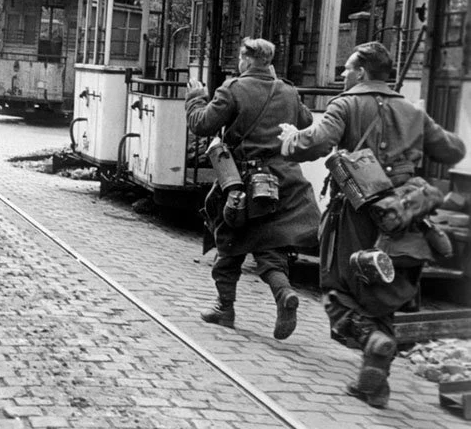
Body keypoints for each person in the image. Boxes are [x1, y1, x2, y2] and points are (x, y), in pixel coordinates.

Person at [279, 41, 465, 408]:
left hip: (355, 214)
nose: (343, 75)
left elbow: (317, 143)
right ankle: (375, 380)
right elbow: (453, 151)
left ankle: (370, 341)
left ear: (362, 72)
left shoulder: (345, 103)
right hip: (404, 214)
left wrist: (290, 139)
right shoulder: (411, 111)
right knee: (387, 289)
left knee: (338, 286)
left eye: (347, 68)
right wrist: (419, 127)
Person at [186, 37, 320, 340]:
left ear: (247, 60)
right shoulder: (287, 90)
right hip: (283, 181)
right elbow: (306, 120)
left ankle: (225, 308)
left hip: (243, 183)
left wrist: (195, 97)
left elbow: (202, 124)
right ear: (268, 62)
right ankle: (284, 293)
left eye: (240, 58)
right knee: (268, 245)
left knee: (230, 241)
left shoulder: (233, 89)